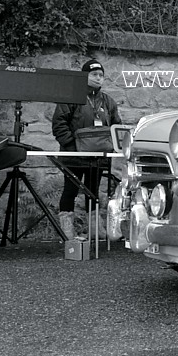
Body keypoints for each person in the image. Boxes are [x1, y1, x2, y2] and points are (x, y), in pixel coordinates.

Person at [52, 59, 122, 240]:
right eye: (94, 74)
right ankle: (66, 232)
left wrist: (112, 146)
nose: (98, 78)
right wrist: (74, 147)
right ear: (85, 76)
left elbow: (116, 126)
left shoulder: (108, 101)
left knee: (93, 191)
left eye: (101, 75)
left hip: (98, 157)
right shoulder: (71, 97)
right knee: (70, 191)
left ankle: (95, 228)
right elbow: (59, 124)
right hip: (74, 156)